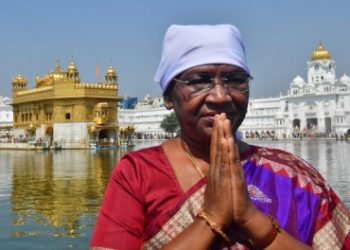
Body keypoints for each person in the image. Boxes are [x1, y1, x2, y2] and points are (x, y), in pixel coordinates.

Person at [90, 24, 350, 250]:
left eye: (235, 80)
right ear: (169, 97)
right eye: (200, 80)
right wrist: (212, 218)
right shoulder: (138, 175)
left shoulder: (294, 176)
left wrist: (251, 218)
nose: (220, 96)